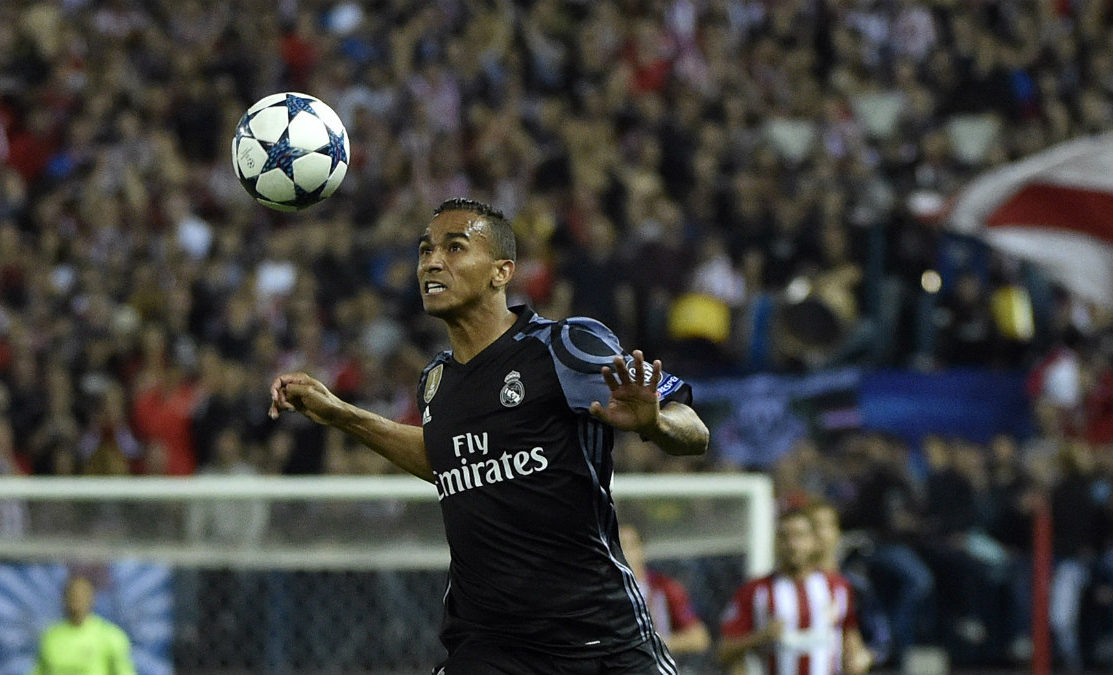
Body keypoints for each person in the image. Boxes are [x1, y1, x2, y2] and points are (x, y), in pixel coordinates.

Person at [270, 197, 710, 675]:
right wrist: (340, 414)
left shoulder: (563, 346)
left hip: (597, 639)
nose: (432, 262)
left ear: (502, 272)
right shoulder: (436, 381)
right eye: (424, 251)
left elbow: (696, 430)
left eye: (455, 248)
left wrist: (655, 422)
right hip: (488, 644)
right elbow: (448, 460)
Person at [717, 507, 866, 675]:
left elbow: (850, 637)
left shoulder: (838, 586)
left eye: (799, 536)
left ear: (814, 541)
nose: (792, 544)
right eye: (785, 537)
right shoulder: (756, 590)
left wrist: (857, 659)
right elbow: (724, 650)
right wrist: (761, 637)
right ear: (776, 542)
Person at [805, 500, 881, 672]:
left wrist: (865, 655)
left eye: (824, 525)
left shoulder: (855, 585)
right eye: (811, 526)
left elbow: (879, 638)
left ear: (837, 532)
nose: (818, 533)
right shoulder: (779, 586)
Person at [619, 525, 712, 661]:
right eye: (620, 546)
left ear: (641, 549)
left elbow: (699, 637)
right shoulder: (600, 592)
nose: (625, 552)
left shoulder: (664, 587)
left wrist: (653, 643)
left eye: (631, 545)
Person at [31, 575, 136, 675]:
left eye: (81, 596)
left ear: (91, 599)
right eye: (72, 596)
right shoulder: (50, 637)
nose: (76, 601)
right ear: (64, 599)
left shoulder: (111, 636)